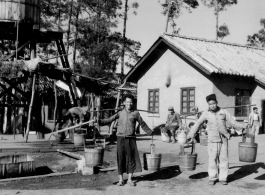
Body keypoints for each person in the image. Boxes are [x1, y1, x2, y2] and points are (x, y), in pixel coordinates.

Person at [187, 94, 249, 185]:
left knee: (224, 159)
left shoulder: (224, 112)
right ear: (208, 105)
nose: (212, 105)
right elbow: (197, 123)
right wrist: (190, 135)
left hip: (223, 138)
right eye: (210, 104)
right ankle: (212, 177)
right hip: (212, 139)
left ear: (217, 102)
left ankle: (223, 178)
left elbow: (233, 122)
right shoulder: (206, 113)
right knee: (212, 159)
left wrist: (244, 126)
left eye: (214, 103)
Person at [96, 94, 153, 186]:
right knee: (121, 158)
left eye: (131, 102)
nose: (129, 104)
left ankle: (130, 179)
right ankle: (121, 180)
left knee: (131, 158)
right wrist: (99, 121)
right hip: (120, 138)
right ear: (124, 103)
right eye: (127, 102)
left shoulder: (136, 113)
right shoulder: (120, 113)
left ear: (132, 103)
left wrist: (150, 132)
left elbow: (142, 123)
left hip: (131, 139)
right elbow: (109, 120)